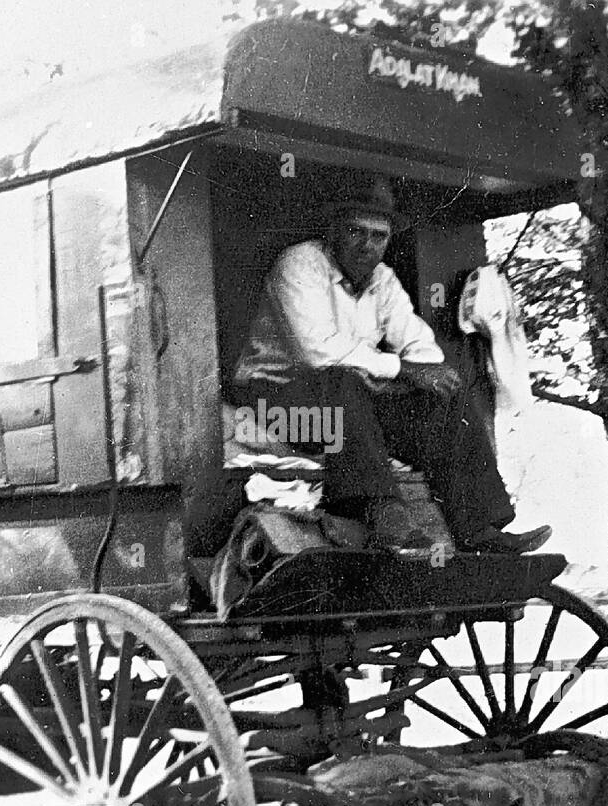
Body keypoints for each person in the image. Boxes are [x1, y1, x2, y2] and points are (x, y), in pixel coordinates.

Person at [229, 173, 551, 554]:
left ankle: (479, 531)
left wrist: (422, 376)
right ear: (333, 231)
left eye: (378, 236)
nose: (367, 245)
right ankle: (383, 516)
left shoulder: (382, 280)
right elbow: (319, 352)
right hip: (274, 403)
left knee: (447, 395)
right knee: (342, 382)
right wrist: (404, 370)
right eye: (355, 231)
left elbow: (422, 350)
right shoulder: (300, 264)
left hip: (343, 406)